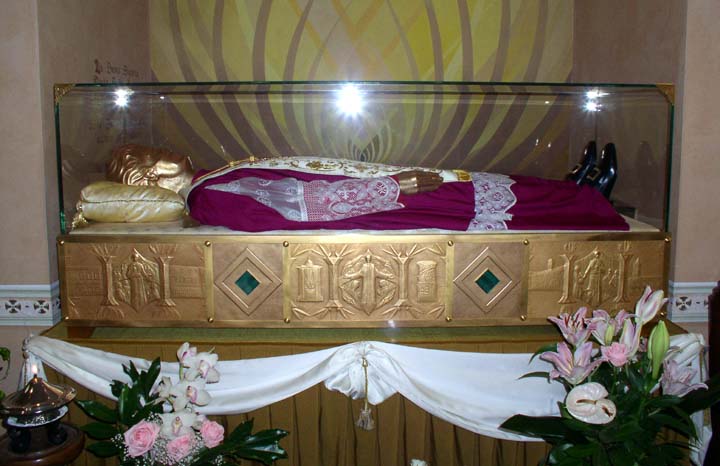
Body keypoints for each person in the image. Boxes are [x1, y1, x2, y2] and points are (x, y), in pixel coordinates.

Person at [106, 144, 629, 232]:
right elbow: (299, 206)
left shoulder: (211, 180)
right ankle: (588, 201)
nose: (164, 149)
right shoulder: (206, 198)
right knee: (470, 198)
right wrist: (392, 189)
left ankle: (570, 189)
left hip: (382, 189)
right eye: (154, 156)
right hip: (384, 204)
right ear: (150, 178)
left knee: (470, 182)